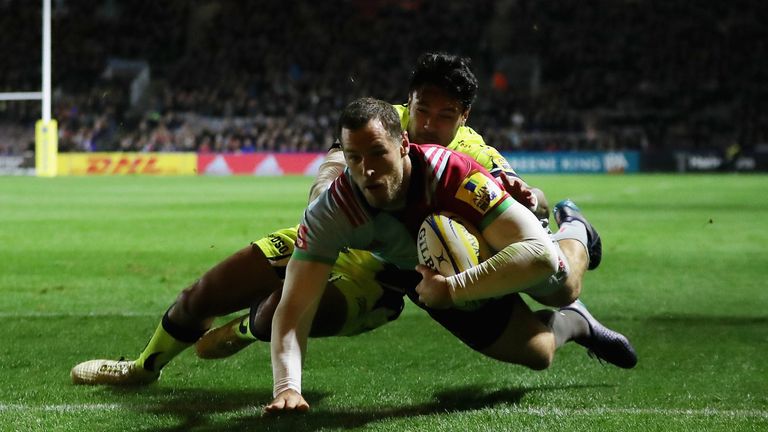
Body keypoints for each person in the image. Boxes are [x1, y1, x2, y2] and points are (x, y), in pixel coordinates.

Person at [69, 53, 618, 386]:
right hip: (350, 248)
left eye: (443, 115)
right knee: (205, 292)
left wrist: (541, 205)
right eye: (421, 110)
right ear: (407, 107)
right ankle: (142, 367)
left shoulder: (470, 157)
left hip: (429, 268)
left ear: (464, 117)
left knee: (549, 324)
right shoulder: (382, 131)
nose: (427, 124)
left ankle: (578, 245)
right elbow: (336, 163)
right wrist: (336, 187)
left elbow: (527, 204)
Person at [265, 97, 634, 412]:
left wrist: (454, 290)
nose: (368, 170)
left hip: (491, 247)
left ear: (403, 144)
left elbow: (539, 256)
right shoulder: (331, 210)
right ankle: (577, 322)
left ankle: (576, 228)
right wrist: (287, 387)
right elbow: (295, 307)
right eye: (355, 158)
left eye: (378, 152)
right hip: (428, 271)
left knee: (562, 284)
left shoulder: (450, 172)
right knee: (538, 353)